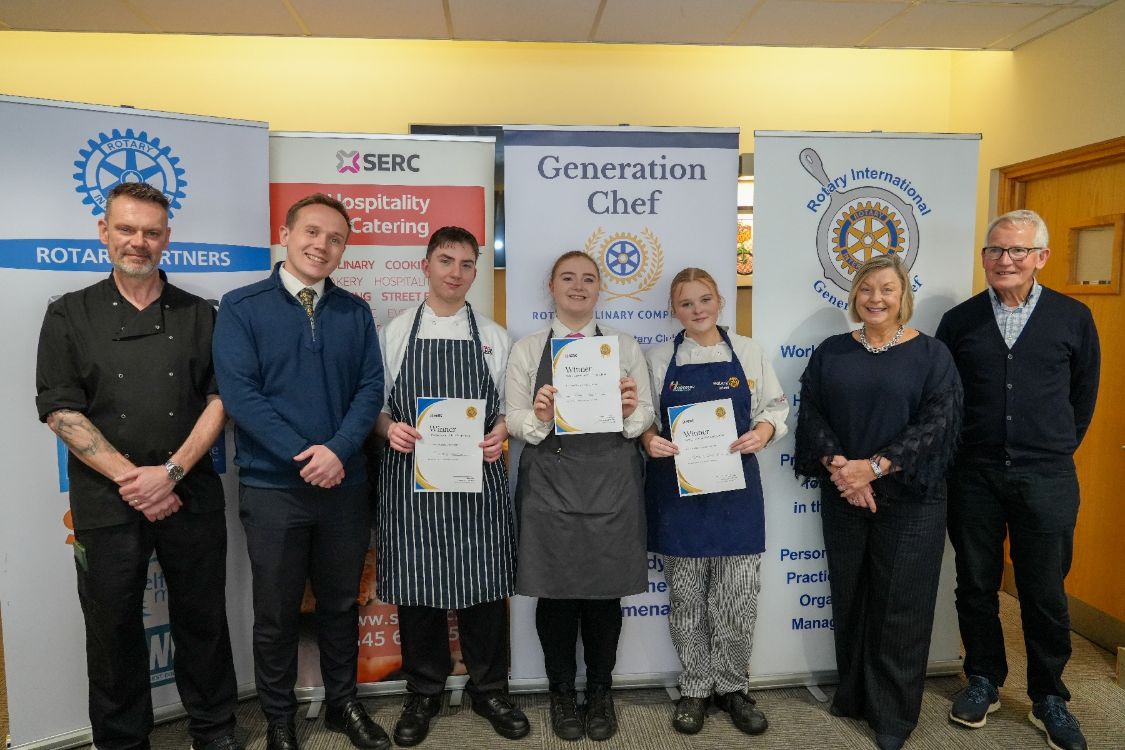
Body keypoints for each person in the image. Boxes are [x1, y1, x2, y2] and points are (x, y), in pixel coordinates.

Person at [35, 182, 240, 750]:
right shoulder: (68, 314)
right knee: (112, 628)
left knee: (203, 620)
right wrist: (138, 481)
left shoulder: (201, 314)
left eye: (151, 232)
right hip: (107, 503)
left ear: (166, 238)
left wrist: (169, 474)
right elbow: (59, 409)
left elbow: (220, 401)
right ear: (104, 232)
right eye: (126, 229)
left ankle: (214, 729)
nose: (138, 242)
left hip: (189, 492)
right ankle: (123, 741)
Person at [213, 194, 388, 750]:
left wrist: (337, 451)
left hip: (344, 485)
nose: (322, 245)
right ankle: (280, 720)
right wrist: (305, 456)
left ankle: (342, 704)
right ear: (285, 234)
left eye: (335, 238)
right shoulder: (240, 307)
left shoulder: (354, 312)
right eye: (311, 232)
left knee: (340, 605)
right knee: (277, 613)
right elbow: (241, 395)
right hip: (273, 491)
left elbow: (369, 390)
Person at [936, 210, 1100, 750]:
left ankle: (1049, 695)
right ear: (984, 256)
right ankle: (983, 676)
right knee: (976, 583)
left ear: (1041, 257)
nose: (1005, 260)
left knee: (1045, 591)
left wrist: (1047, 447)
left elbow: (1082, 398)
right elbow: (945, 401)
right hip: (974, 474)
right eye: (996, 250)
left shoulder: (1073, 318)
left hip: (1046, 476)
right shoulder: (959, 322)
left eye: (1018, 251)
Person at [794, 255, 962, 750]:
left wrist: (876, 466)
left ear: (903, 295)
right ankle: (853, 695)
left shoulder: (933, 355)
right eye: (866, 289)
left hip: (912, 502)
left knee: (901, 608)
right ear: (854, 296)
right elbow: (813, 413)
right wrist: (843, 468)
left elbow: (938, 425)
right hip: (845, 493)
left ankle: (892, 716)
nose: (875, 298)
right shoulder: (832, 352)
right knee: (851, 598)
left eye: (887, 289)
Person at [375, 226, 527, 747]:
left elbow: (509, 410)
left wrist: (501, 433)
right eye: (446, 261)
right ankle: (424, 690)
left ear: (475, 272)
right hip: (411, 485)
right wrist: (387, 428)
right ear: (425, 265)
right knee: (418, 592)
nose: (455, 273)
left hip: (475, 483)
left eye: (466, 264)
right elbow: (374, 407)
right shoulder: (394, 333)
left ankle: (490, 688)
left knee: (484, 589)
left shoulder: (493, 336)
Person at [506, 250, 655, 742]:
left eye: (588, 279)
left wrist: (631, 408)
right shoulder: (528, 349)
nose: (578, 286)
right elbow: (513, 421)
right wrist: (542, 416)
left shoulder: (624, 347)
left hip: (611, 481)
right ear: (551, 284)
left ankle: (600, 692)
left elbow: (642, 421)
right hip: (550, 483)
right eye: (568, 277)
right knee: (555, 592)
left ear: (599, 289)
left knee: (603, 593)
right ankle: (561, 694)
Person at [640, 267, 788, 737]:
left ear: (720, 300)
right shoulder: (659, 357)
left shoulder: (747, 351)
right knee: (686, 601)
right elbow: (642, 418)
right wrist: (648, 440)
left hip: (737, 495)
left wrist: (762, 433)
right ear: (674, 310)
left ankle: (734, 687)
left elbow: (774, 410)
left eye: (705, 300)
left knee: (737, 601)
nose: (697, 310)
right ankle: (695, 688)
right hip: (678, 498)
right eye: (686, 304)